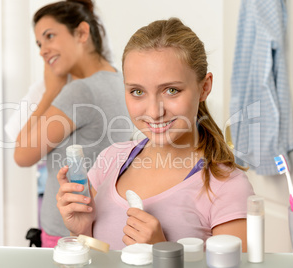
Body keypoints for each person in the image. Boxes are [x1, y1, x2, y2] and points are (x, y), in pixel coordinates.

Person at [56, 17, 255, 251]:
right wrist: (81, 230)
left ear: (204, 87)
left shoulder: (226, 187)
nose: (153, 111)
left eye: (172, 90)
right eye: (137, 91)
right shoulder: (110, 160)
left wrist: (163, 252)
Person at [13, 0, 132, 248]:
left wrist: (51, 91)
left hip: (66, 233)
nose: (42, 50)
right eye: (39, 43)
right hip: (105, 228)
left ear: (82, 32)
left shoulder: (79, 91)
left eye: (50, 36)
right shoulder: (120, 80)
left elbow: (22, 155)